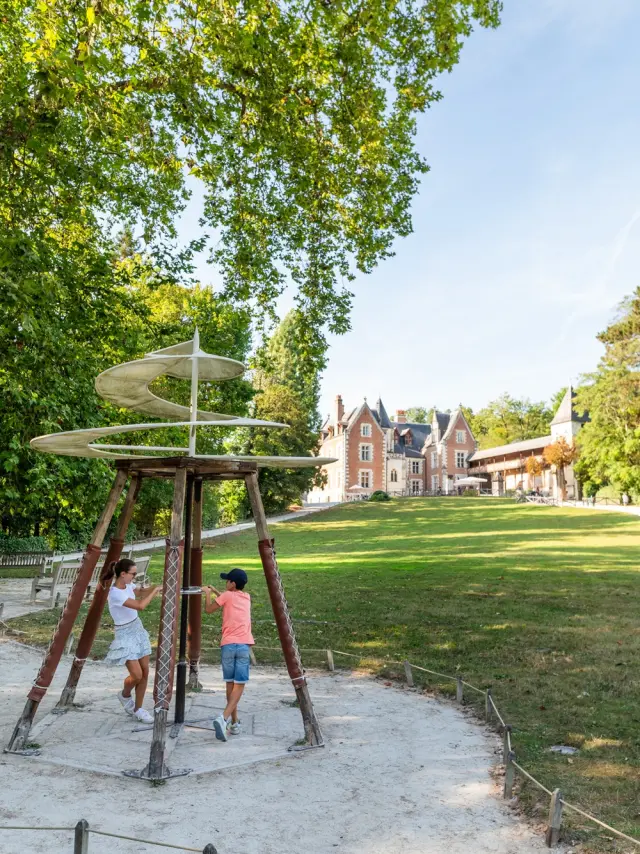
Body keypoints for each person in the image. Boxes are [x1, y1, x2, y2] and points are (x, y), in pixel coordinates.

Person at [102, 557, 161, 723]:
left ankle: (139, 709)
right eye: (133, 574)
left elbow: (140, 592)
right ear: (122, 574)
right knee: (136, 675)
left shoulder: (128, 585)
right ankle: (125, 694)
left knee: (145, 672)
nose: (134, 577)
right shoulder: (114, 594)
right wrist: (155, 592)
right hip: (124, 633)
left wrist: (154, 587)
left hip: (137, 629)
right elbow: (140, 606)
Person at [203, 567, 254, 742]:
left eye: (227, 581)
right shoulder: (247, 598)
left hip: (227, 646)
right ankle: (227, 719)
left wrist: (207, 594)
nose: (225, 583)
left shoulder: (226, 596)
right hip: (243, 647)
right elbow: (228, 597)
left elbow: (209, 609)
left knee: (230, 685)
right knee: (239, 685)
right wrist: (217, 591)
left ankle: (230, 720)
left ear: (232, 584)